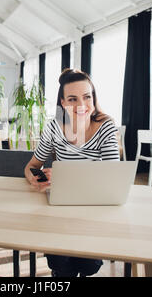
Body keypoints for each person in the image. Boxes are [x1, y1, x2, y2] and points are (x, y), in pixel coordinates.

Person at [24, 68, 120, 277]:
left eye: (87, 97)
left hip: (94, 208)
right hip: (61, 207)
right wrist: (34, 176)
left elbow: (113, 176)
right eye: (73, 99)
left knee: (89, 265)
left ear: (93, 98)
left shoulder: (106, 126)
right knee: (60, 263)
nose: (82, 105)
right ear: (63, 103)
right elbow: (32, 165)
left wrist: (64, 178)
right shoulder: (54, 127)